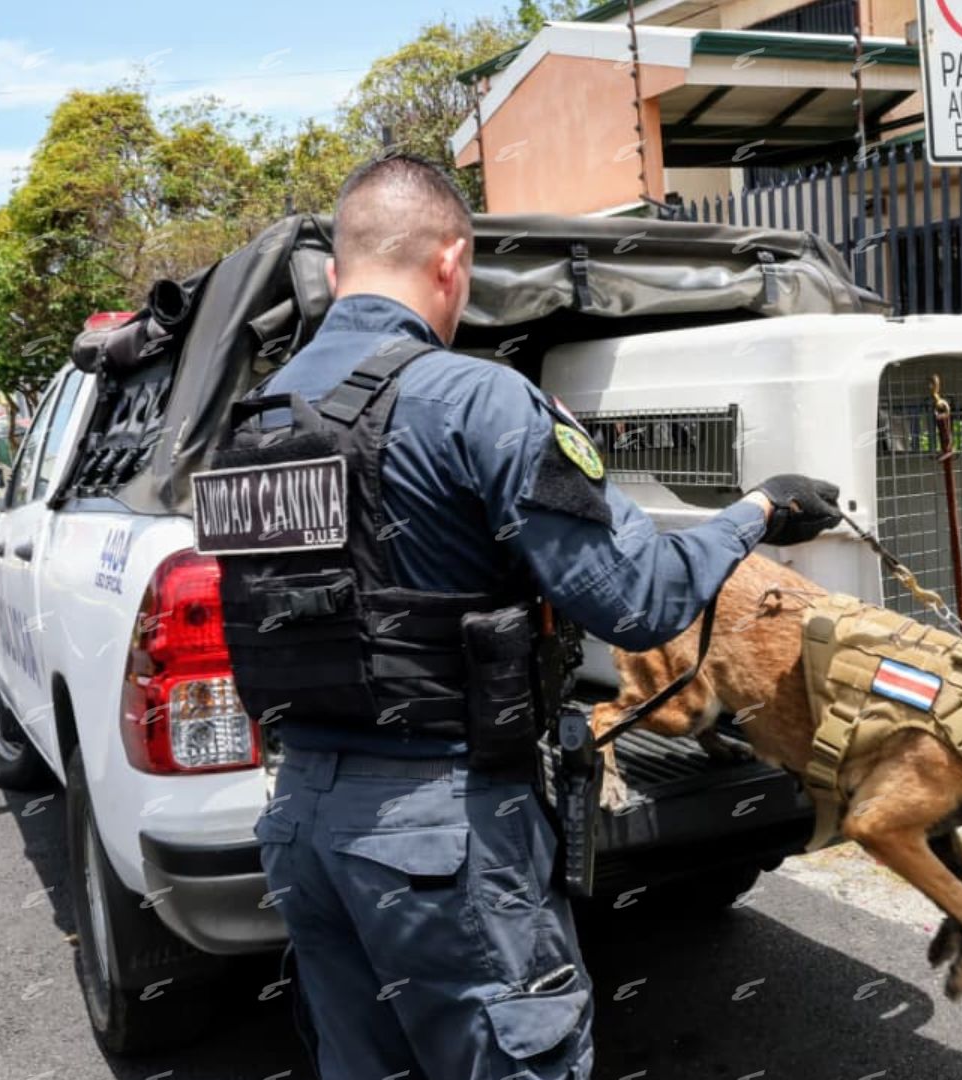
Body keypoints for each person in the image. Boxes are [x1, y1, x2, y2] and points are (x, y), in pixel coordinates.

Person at [230, 155, 843, 1080]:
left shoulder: (253, 426)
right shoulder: (476, 399)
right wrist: (758, 511)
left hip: (303, 828)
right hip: (441, 831)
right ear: (452, 263)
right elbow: (640, 604)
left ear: (335, 271)